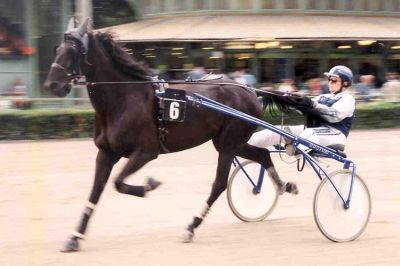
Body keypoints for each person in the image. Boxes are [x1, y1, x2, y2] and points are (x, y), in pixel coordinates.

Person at [248, 65, 356, 157]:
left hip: (334, 135)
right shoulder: (324, 96)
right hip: (316, 132)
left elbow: (334, 115)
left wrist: (311, 104)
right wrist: (286, 99)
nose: (330, 83)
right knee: (278, 130)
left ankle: (294, 147)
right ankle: (246, 143)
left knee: (310, 133)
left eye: (334, 80)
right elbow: (305, 107)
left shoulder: (347, 99)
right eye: (329, 79)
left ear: (345, 83)